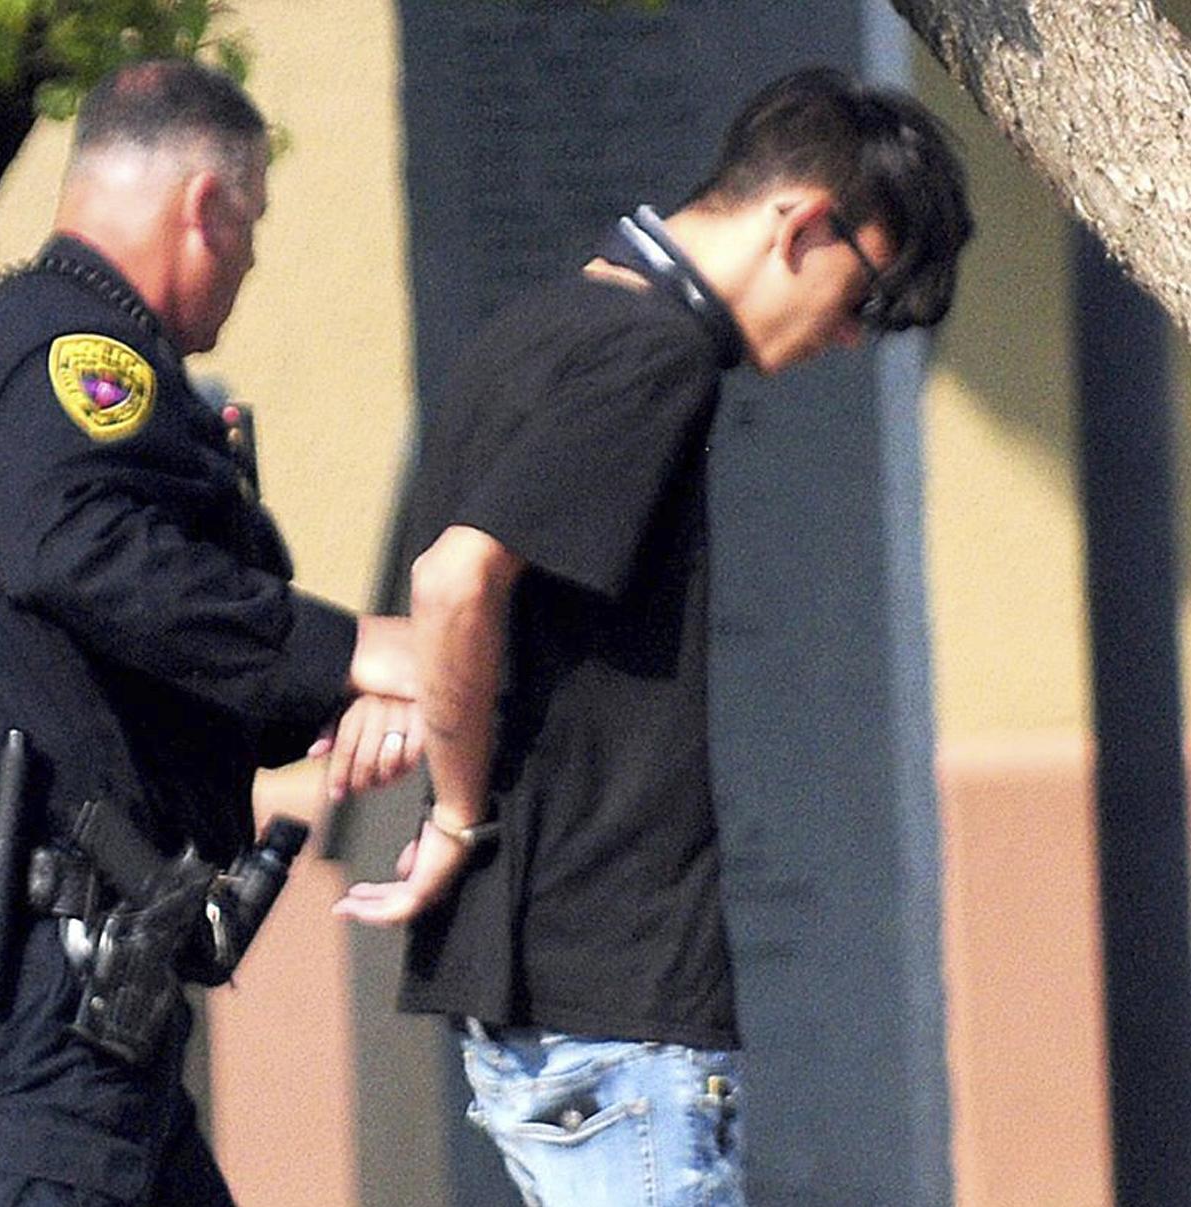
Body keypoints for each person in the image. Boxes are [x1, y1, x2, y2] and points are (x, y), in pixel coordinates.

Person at [334, 67, 974, 1206]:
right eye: (863, 300)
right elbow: (451, 582)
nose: (848, 340)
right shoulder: (654, 356)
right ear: (805, 223)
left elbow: (475, 607)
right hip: (612, 1000)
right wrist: (450, 809)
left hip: (541, 999)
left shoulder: (543, 325)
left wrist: (436, 720)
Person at [0, 59, 420, 1206]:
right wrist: (357, 653)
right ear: (204, 207)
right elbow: (82, 552)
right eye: (252, 227)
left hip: (5, 958)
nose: (251, 264)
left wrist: (339, 699)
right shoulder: (86, 359)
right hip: (27, 970)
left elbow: (134, 649)